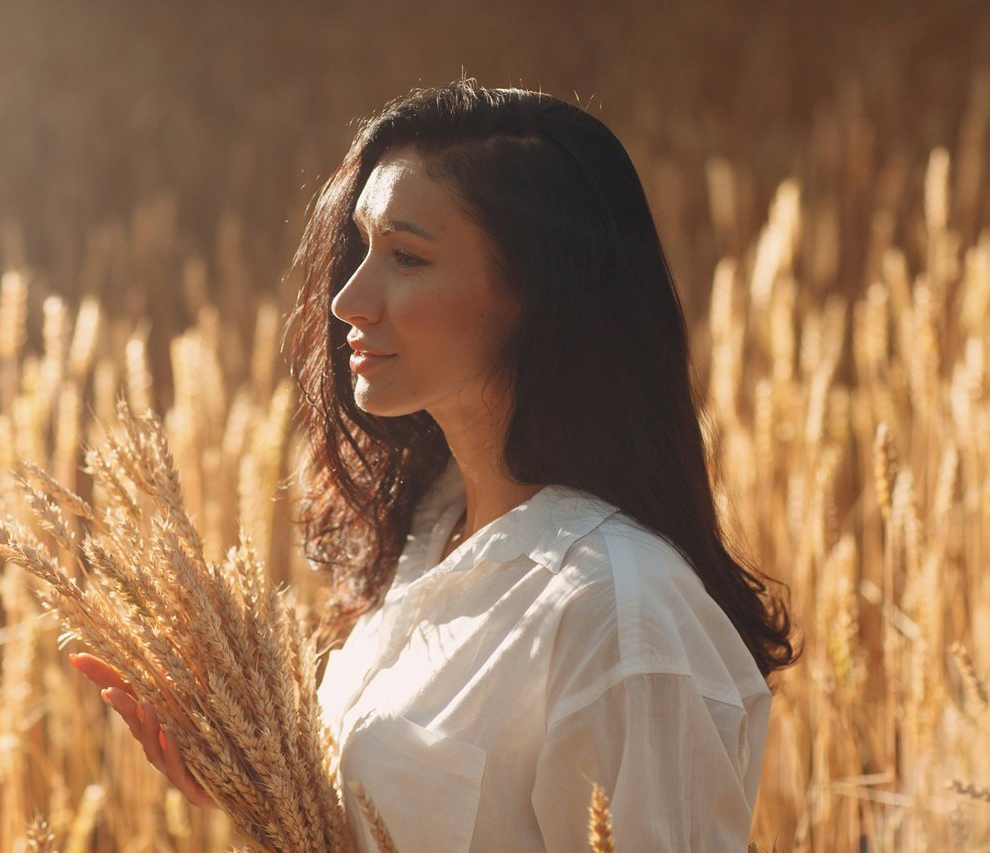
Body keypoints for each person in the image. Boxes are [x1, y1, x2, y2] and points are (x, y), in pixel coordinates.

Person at [73, 79, 799, 850]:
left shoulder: (618, 609)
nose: (348, 299)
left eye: (407, 257)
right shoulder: (424, 534)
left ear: (536, 292)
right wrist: (257, 783)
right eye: (362, 247)